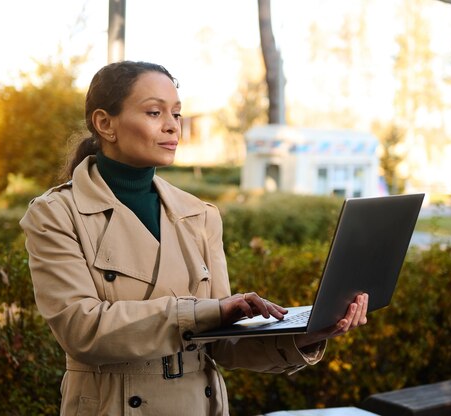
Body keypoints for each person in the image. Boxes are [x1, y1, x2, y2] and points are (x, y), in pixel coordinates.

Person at [19, 60, 369, 415]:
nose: (172, 126)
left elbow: (221, 343)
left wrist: (307, 334)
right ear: (104, 123)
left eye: (177, 113)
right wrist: (204, 313)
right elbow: (82, 330)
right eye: (155, 112)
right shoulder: (55, 214)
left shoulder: (200, 215)